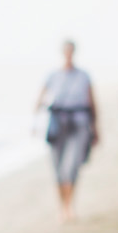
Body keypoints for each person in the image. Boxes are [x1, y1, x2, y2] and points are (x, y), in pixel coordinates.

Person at [35, 39, 97, 220]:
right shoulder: (52, 75)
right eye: (66, 51)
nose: (68, 54)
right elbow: (39, 100)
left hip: (78, 125)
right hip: (56, 126)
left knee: (70, 168)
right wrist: (35, 122)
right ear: (62, 52)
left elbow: (92, 103)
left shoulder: (83, 76)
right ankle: (62, 207)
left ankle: (70, 207)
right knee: (57, 170)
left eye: (71, 51)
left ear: (74, 52)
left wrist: (95, 128)